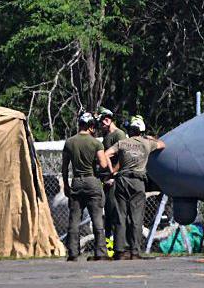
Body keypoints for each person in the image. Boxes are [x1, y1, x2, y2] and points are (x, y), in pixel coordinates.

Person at [106, 115, 165, 260]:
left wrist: (112, 171)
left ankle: (119, 250)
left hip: (122, 180)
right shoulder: (147, 143)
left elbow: (107, 154)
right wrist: (150, 138)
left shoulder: (122, 143)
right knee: (136, 217)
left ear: (130, 130)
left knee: (120, 215)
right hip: (138, 182)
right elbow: (162, 144)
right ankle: (135, 251)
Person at [62, 112, 112, 261]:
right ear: (90, 126)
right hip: (92, 182)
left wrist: (65, 184)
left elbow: (64, 167)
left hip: (76, 182)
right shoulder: (96, 143)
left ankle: (72, 253)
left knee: (74, 220)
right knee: (97, 218)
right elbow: (103, 164)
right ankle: (100, 252)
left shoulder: (69, 142)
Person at [96, 106, 126, 239]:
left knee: (115, 212)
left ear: (107, 120)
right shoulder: (106, 135)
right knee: (107, 213)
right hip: (105, 180)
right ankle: (108, 244)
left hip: (114, 180)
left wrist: (113, 174)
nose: (100, 125)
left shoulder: (119, 135)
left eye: (102, 122)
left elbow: (123, 157)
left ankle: (118, 243)